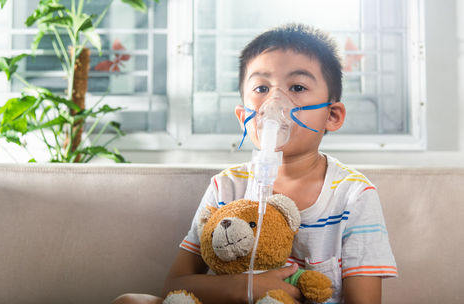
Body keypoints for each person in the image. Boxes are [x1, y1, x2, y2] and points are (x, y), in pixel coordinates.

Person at [114, 23, 396, 304]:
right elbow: (174, 285)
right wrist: (246, 286)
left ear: (332, 115)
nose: (275, 102)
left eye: (297, 87)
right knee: (131, 301)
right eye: (261, 88)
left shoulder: (353, 196)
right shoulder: (227, 187)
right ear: (243, 117)